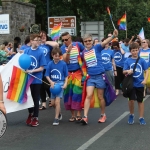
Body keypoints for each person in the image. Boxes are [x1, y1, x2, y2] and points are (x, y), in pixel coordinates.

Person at [80, 29, 118, 125]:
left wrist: (113, 36)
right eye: (86, 41)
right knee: (88, 96)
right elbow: (82, 65)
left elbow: (105, 42)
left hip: (100, 76)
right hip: (91, 77)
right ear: (83, 42)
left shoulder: (97, 47)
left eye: (89, 40)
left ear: (92, 41)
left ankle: (102, 115)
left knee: (101, 96)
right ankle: (85, 117)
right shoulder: (83, 53)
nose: (88, 42)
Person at [60, 32, 85, 122]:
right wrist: (69, 51)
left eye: (66, 39)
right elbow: (66, 61)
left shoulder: (78, 45)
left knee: (77, 93)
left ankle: (79, 114)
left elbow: (85, 54)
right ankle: (72, 115)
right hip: (68, 74)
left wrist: (85, 70)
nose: (65, 41)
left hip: (78, 73)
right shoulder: (62, 48)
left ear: (70, 38)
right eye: (63, 40)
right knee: (68, 94)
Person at [123, 42, 148, 125]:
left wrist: (145, 80)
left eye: (136, 50)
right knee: (131, 101)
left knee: (140, 101)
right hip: (131, 84)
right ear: (130, 51)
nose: (135, 52)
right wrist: (127, 71)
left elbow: (146, 70)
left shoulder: (142, 60)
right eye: (133, 50)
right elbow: (123, 71)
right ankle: (131, 115)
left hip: (140, 83)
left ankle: (141, 117)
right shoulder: (128, 60)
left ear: (139, 50)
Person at [24, 34, 47, 127]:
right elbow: (20, 61)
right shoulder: (26, 51)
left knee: (35, 98)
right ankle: (30, 113)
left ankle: (36, 117)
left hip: (36, 79)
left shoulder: (40, 52)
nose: (38, 42)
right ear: (31, 40)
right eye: (36, 40)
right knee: (28, 98)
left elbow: (41, 68)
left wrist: (31, 70)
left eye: (39, 40)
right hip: (27, 79)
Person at [45, 47, 68, 125]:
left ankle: (56, 118)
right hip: (53, 85)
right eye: (55, 56)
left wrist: (65, 83)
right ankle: (59, 113)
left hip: (60, 84)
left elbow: (66, 76)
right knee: (53, 103)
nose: (57, 57)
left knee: (57, 102)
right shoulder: (50, 64)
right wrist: (51, 82)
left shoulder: (63, 64)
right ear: (52, 55)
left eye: (58, 56)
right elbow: (47, 75)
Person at [39, 31, 59, 110]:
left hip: (47, 67)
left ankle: (51, 98)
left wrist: (46, 42)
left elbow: (56, 45)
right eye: (41, 36)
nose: (43, 37)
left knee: (47, 85)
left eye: (44, 35)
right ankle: (43, 103)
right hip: (39, 68)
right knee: (40, 87)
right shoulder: (38, 45)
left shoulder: (48, 45)